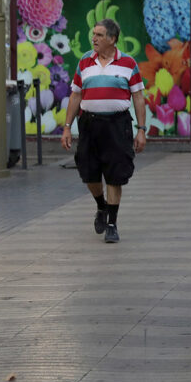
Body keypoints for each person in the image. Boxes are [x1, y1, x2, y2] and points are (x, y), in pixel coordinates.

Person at [61, 18, 147, 243]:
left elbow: (138, 97)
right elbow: (76, 94)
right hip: (89, 125)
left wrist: (141, 129)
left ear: (112, 39)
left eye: (99, 35)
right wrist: (67, 127)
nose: (94, 39)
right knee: (89, 173)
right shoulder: (85, 62)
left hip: (118, 125)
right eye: (94, 34)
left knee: (115, 174)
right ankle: (101, 205)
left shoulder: (128, 64)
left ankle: (112, 224)